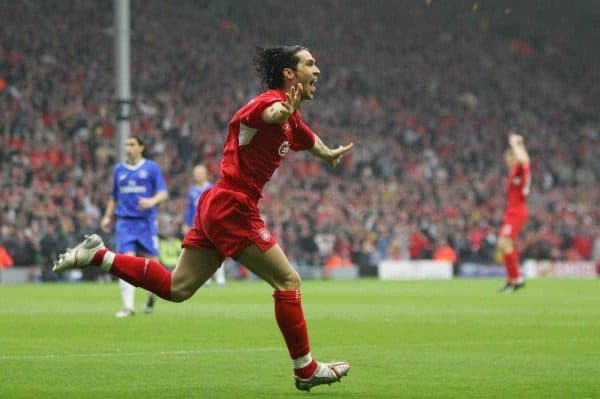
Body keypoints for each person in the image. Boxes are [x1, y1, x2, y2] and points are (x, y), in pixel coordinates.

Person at [54, 45, 352, 391]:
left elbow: (304, 136)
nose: (317, 70)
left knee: (177, 288)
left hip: (218, 203)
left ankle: (98, 256)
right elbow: (270, 114)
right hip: (233, 206)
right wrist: (283, 109)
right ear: (289, 73)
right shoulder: (268, 103)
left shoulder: (292, 119)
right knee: (289, 281)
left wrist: (327, 153)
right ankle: (305, 369)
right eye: (310, 64)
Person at [100, 136, 168, 317]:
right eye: (126, 145)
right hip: (125, 223)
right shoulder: (119, 170)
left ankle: (152, 294)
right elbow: (114, 197)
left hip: (146, 222)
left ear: (141, 147)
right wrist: (107, 217)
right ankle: (128, 307)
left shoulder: (151, 168)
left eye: (131, 145)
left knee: (153, 263)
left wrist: (151, 201)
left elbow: (163, 193)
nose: (128, 148)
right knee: (126, 262)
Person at [497, 133, 531, 293]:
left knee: (504, 243)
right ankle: (512, 279)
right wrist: (520, 144)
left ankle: (517, 278)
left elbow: (525, 160)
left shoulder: (520, 169)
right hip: (512, 211)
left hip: (517, 211)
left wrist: (515, 144)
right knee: (503, 245)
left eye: (509, 158)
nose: (507, 161)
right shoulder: (515, 171)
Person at [182, 164, 225, 287]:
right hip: (198, 226)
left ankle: (220, 278)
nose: (198, 176)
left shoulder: (213, 188)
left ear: (205, 174)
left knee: (218, 250)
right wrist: (186, 223)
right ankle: (205, 278)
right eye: (196, 174)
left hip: (213, 224)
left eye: (200, 173)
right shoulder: (192, 191)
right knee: (201, 251)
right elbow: (189, 210)